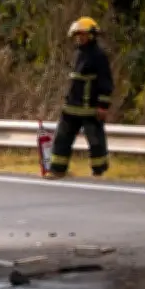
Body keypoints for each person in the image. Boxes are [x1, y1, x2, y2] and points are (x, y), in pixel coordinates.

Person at [47, 16, 114, 179]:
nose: (80, 38)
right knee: (62, 138)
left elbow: (106, 82)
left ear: (91, 35)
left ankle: (99, 172)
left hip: (90, 109)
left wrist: (103, 106)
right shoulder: (77, 53)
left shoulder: (99, 56)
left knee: (95, 141)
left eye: (83, 34)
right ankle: (57, 169)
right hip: (71, 107)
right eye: (78, 35)